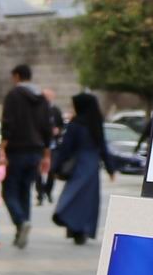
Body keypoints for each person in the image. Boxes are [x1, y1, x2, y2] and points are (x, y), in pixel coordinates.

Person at [51, 91, 123, 244]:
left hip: (79, 165)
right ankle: (82, 228)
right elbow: (103, 146)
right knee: (87, 199)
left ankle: (72, 225)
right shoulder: (95, 123)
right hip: (92, 166)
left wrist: (56, 167)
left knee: (73, 195)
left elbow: (66, 148)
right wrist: (110, 168)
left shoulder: (76, 124)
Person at [0, 64, 46, 248]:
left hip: (17, 149)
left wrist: (3, 144)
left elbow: (7, 122)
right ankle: (21, 230)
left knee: (9, 190)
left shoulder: (14, 95)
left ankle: (21, 221)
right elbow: (46, 126)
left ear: (17, 76)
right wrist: (46, 151)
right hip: (36, 151)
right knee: (25, 190)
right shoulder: (41, 97)